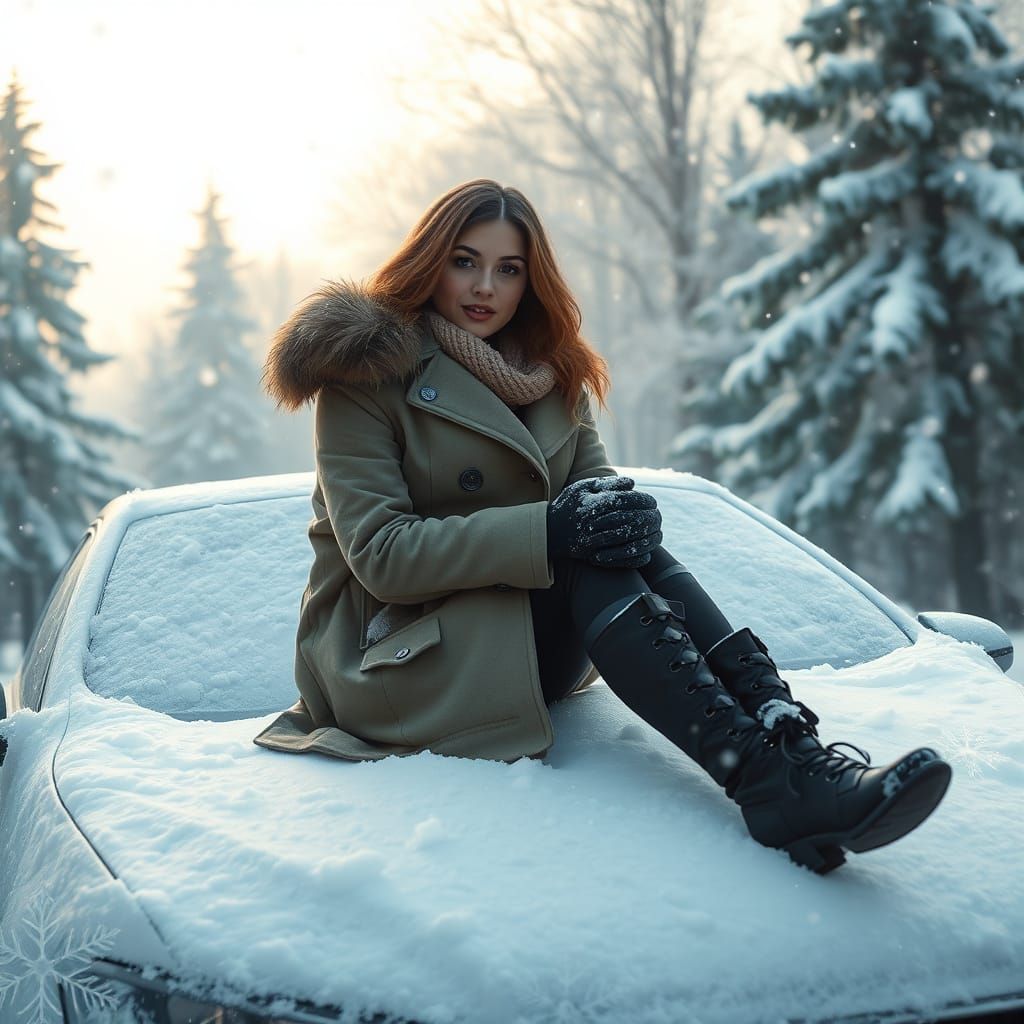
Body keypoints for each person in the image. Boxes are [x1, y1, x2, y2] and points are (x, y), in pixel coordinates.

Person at [254, 179, 951, 875]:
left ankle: (791, 745)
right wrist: (552, 530)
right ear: (429, 259)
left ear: (532, 280)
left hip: (517, 645)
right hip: (396, 660)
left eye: (509, 269)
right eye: (464, 261)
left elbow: (592, 499)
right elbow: (383, 557)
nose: (484, 287)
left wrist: (626, 520)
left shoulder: (554, 377)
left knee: (610, 544)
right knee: (583, 549)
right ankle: (770, 785)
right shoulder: (365, 379)